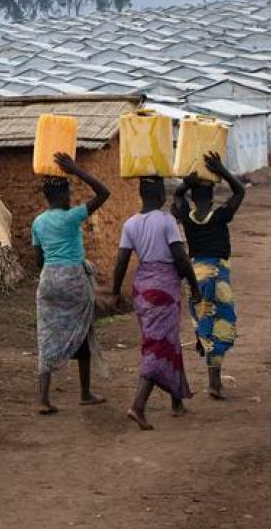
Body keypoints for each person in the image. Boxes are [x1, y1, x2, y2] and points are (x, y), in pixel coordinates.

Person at [111, 177, 202, 430]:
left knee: (166, 340)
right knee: (158, 345)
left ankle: (177, 402)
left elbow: (121, 261)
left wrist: (115, 291)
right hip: (164, 286)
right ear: (161, 195)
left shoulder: (130, 223)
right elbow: (180, 257)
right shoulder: (166, 221)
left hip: (143, 287)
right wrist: (194, 285)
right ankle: (138, 405)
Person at [31, 151, 112, 415]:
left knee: (46, 335)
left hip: (49, 280)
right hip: (74, 280)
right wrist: (76, 170)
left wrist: (52, 274)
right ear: (64, 195)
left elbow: (38, 259)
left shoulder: (38, 222)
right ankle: (85, 393)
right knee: (84, 333)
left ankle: (43, 399)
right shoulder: (72, 217)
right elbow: (103, 192)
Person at [172, 152, 245, 399]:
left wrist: (186, 184)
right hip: (217, 275)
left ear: (193, 196)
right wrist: (222, 170)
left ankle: (200, 339)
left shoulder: (186, 216)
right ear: (212, 196)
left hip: (195, 275)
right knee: (220, 327)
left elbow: (177, 196)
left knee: (202, 318)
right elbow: (239, 192)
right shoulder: (220, 215)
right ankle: (214, 383)